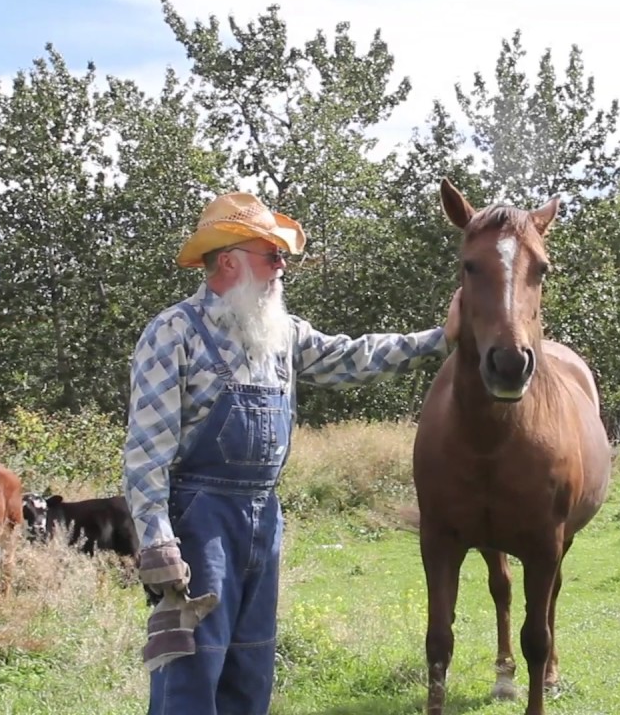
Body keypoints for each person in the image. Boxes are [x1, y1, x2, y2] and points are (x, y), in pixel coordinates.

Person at [123, 191, 461, 715]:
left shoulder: (282, 334)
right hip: (199, 522)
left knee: (250, 668)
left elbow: (353, 357)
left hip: (264, 517)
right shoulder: (174, 333)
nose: (282, 266)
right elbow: (147, 453)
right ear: (228, 261)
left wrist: (441, 338)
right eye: (271, 255)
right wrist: (158, 543)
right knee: (191, 670)